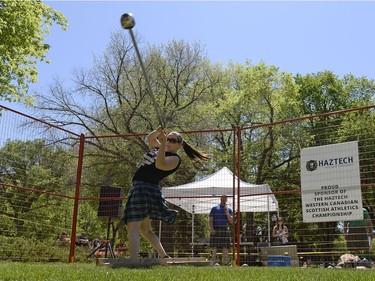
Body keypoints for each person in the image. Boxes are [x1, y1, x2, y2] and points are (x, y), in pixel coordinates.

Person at [122, 126, 210, 259]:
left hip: (145, 189)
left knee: (133, 225)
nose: (169, 141)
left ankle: (133, 260)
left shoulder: (175, 159)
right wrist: (158, 132)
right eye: (168, 138)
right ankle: (164, 256)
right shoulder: (160, 148)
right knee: (145, 230)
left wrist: (162, 143)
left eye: (173, 140)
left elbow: (160, 165)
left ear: (179, 145)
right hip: (140, 188)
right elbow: (150, 139)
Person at [209, 195, 234, 265]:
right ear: (220, 198)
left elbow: (231, 221)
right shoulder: (214, 208)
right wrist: (212, 228)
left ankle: (225, 263)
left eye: (225, 198)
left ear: (227, 199)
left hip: (225, 229)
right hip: (215, 228)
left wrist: (227, 212)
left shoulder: (229, 209)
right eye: (222, 197)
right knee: (214, 247)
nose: (224, 199)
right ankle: (212, 263)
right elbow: (210, 220)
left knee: (225, 247)